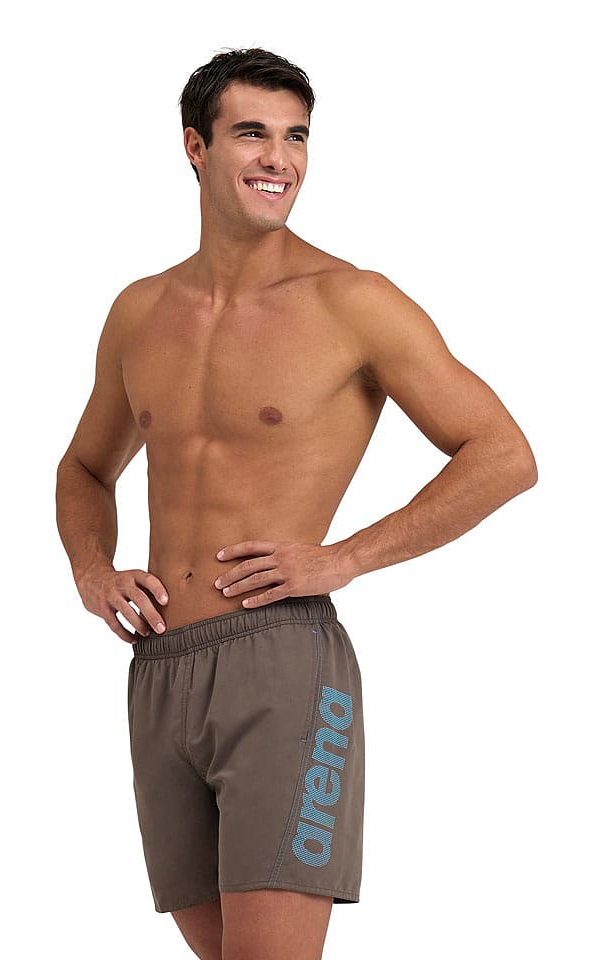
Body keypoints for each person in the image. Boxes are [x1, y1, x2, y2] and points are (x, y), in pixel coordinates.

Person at [55, 46, 538, 960]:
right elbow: (84, 466)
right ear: (195, 147)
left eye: (297, 137)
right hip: (157, 667)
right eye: (252, 133)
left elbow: (504, 454)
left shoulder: (353, 301)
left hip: (280, 660)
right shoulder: (140, 311)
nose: (279, 158)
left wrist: (345, 557)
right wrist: (91, 570)